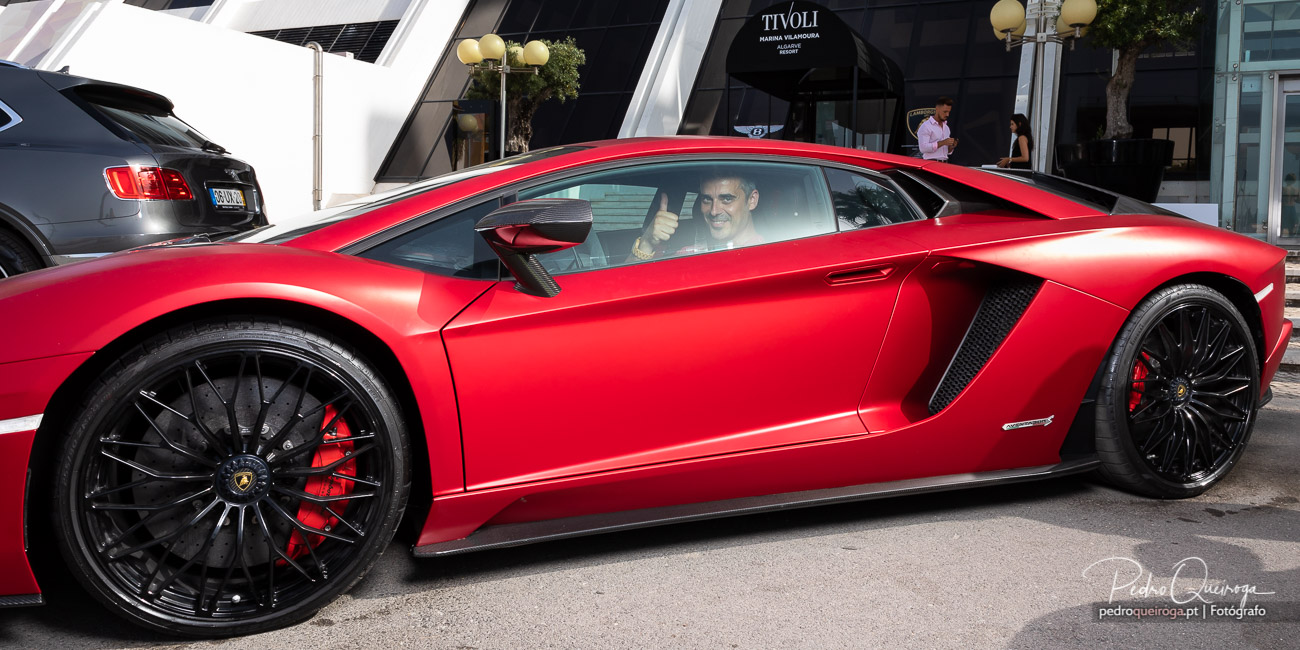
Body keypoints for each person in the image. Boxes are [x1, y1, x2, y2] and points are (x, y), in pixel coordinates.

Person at [631, 173, 763, 260]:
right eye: (707, 199)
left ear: (752, 200)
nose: (714, 211)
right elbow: (628, 287)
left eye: (727, 199)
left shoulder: (767, 258)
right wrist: (646, 243)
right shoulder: (689, 253)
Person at [917, 96, 957, 162]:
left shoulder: (946, 127)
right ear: (937, 109)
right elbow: (923, 148)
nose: (947, 114)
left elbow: (945, 152)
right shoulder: (926, 126)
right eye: (945, 112)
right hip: (930, 163)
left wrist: (951, 147)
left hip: (944, 163)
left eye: (949, 112)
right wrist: (943, 142)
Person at [1283, 173, 1299, 238]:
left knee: (1283, 224)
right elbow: (1298, 200)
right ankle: (1291, 238)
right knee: (1292, 226)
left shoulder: (1283, 189)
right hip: (1292, 208)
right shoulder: (1296, 190)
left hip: (1285, 208)